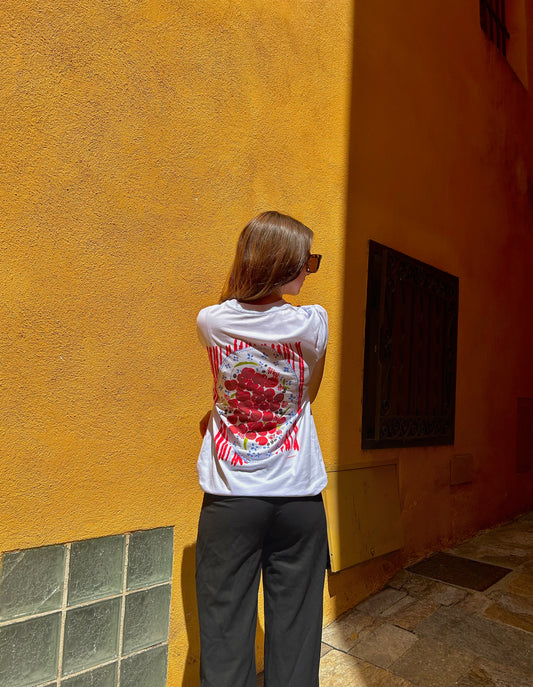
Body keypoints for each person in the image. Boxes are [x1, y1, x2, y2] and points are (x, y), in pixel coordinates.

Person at [195, 210, 329, 687]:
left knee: (224, 630)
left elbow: (225, 389)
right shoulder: (314, 323)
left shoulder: (211, 322)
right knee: (297, 631)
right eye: (306, 261)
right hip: (299, 497)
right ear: (281, 263)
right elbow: (309, 393)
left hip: (231, 499)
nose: (309, 271)